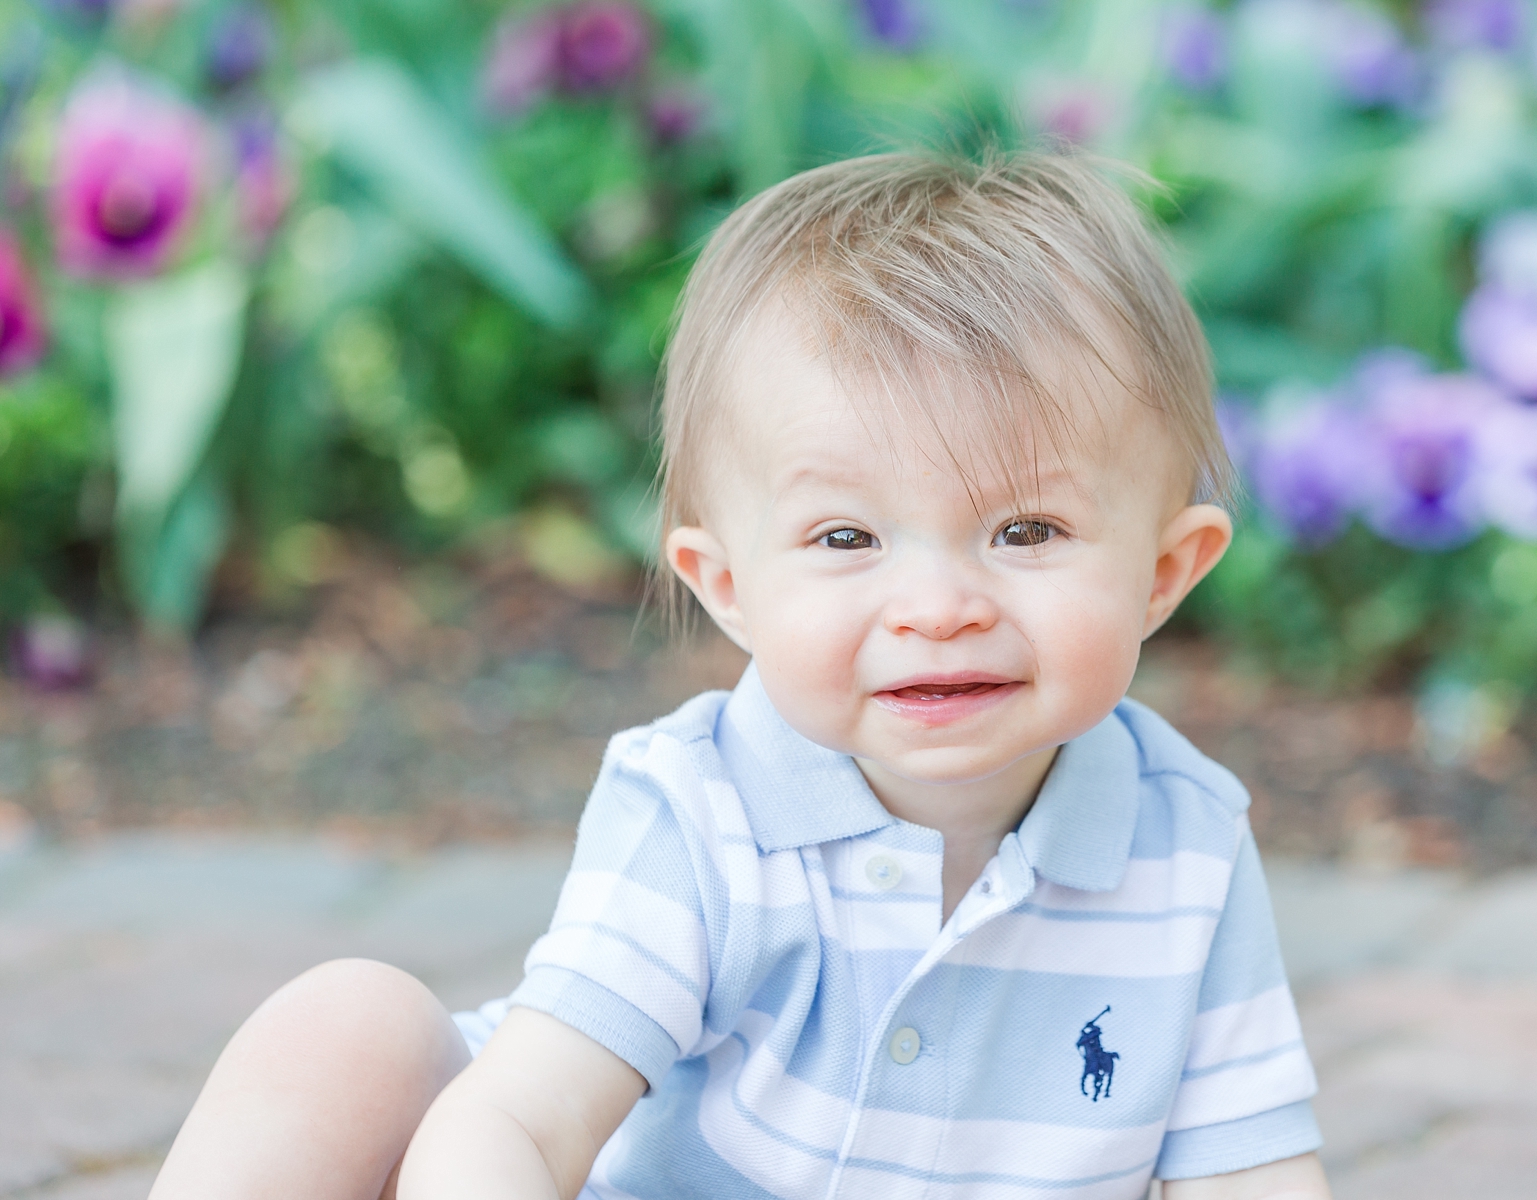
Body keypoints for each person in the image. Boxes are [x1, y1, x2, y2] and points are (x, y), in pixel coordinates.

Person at [147, 150, 1332, 1200]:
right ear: (728, 588)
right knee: (351, 1031)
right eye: (846, 539)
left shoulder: (1187, 849)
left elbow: (1252, 1173)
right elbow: (512, 1120)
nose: (937, 609)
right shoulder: (701, 808)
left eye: (1024, 533)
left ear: (1167, 571)